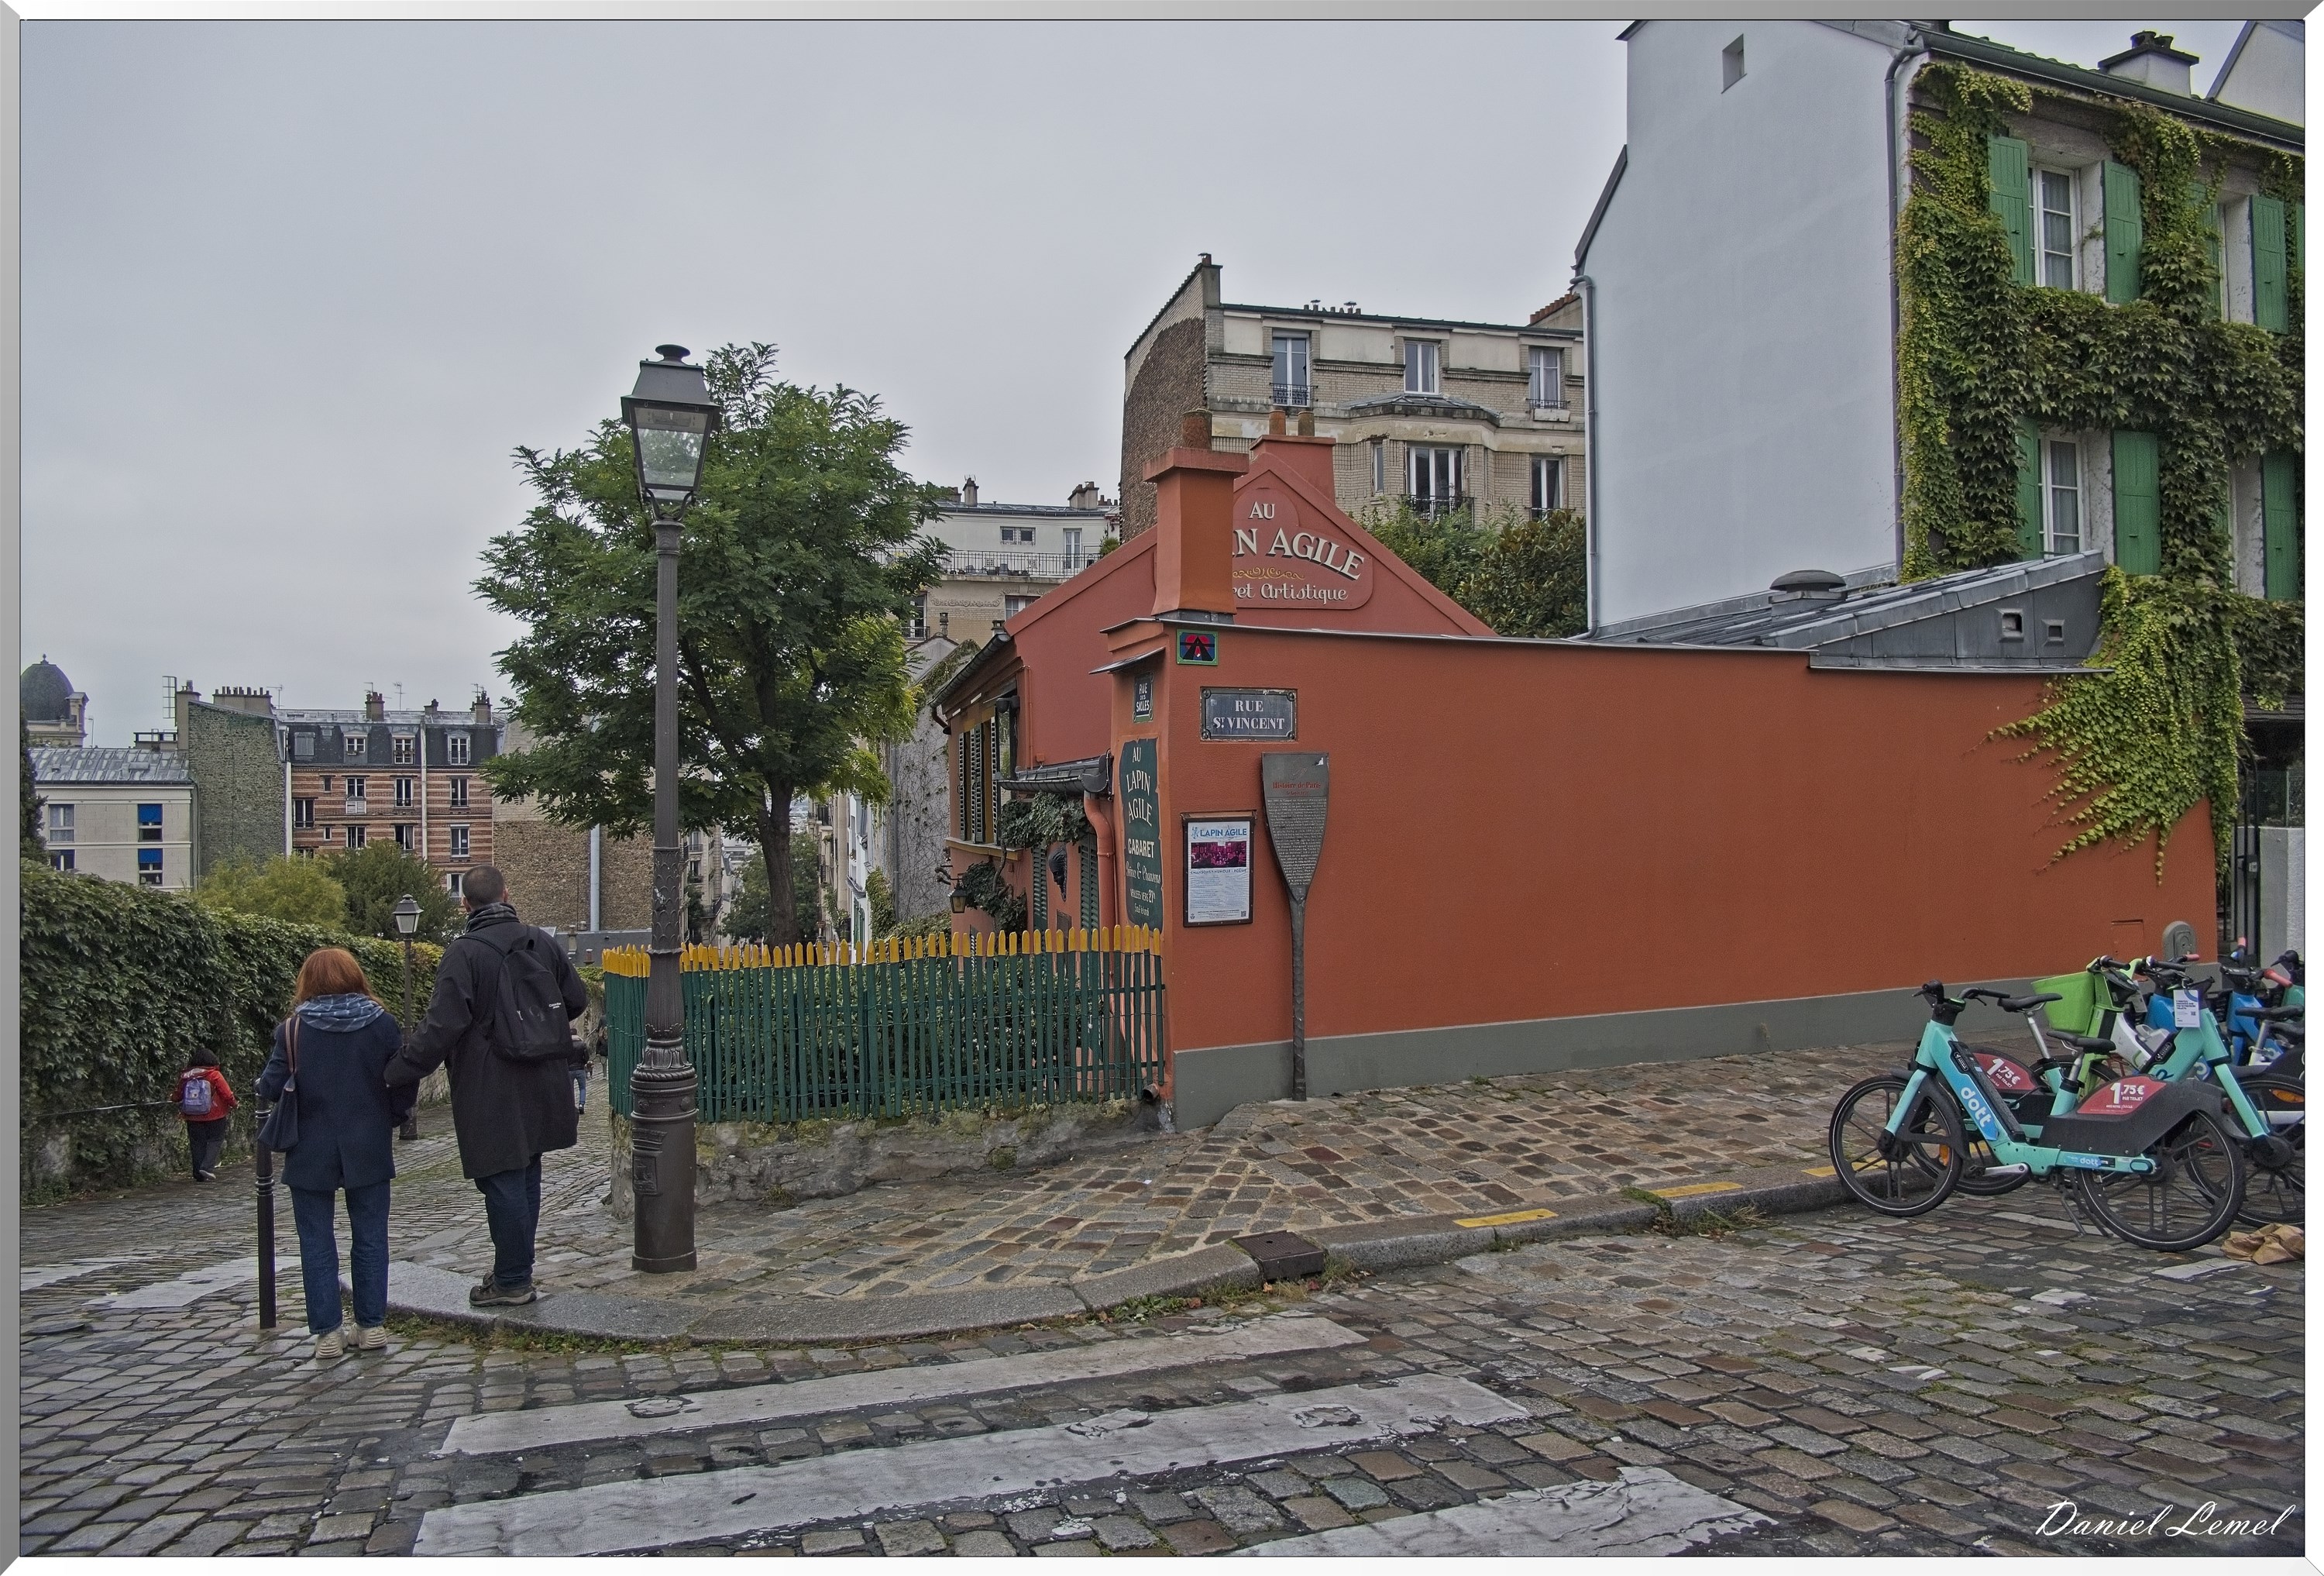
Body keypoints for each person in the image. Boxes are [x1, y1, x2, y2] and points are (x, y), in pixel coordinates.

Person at [386, 866, 588, 1309]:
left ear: (466, 904)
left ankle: (513, 1279)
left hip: (489, 1081)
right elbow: (577, 1000)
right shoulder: (542, 941)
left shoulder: (465, 953)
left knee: (501, 1178)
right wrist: (534, 1023)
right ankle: (515, 1268)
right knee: (527, 1172)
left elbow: (442, 1024)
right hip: (543, 1077)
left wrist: (397, 1070)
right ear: (506, 894)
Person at [254, 948, 415, 1363]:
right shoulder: (381, 1024)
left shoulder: (293, 1029)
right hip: (368, 1143)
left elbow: (271, 1086)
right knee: (371, 1236)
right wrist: (393, 1117)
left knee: (315, 1240)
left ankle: (327, 1331)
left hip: (309, 1146)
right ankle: (372, 1324)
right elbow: (402, 1079)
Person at [177, 1048, 238, 1182]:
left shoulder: (187, 1076)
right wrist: (234, 1104)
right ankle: (207, 1167)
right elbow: (227, 1093)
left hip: (192, 1115)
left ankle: (198, 1174)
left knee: (197, 1143)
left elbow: (177, 1095)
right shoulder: (214, 1075)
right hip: (215, 1114)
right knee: (215, 1140)